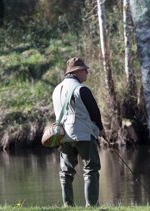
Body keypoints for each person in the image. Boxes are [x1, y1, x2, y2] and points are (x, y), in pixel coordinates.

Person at [52, 57, 105, 207]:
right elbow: (95, 112)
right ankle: (92, 205)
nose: (87, 72)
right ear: (77, 72)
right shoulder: (82, 89)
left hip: (63, 136)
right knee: (91, 169)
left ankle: (68, 205)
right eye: (85, 70)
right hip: (83, 134)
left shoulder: (56, 89)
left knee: (66, 172)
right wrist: (101, 130)